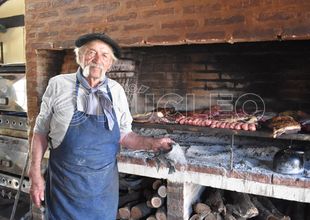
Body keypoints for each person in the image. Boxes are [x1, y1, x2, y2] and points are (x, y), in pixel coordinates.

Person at [28, 33, 173, 220]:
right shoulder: (58, 85)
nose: (97, 59)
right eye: (91, 52)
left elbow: (124, 135)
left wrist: (152, 143)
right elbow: (40, 131)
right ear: (79, 56)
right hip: (64, 187)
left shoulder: (116, 91)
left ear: (110, 64)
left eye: (105, 55)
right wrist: (35, 173)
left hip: (102, 189)